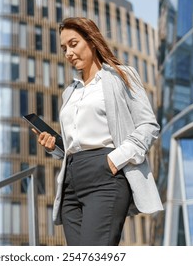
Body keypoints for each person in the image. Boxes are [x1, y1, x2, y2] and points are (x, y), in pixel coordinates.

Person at [33, 17, 163, 246]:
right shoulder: (69, 92)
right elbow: (76, 145)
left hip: (105, 176)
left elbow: (148, 126)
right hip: (70, 183)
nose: (68, 53)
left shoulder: (121, 76)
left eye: (73, 44)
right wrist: (54, 147)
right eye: (64, 48)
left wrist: (114, 160)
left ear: (91, 41)